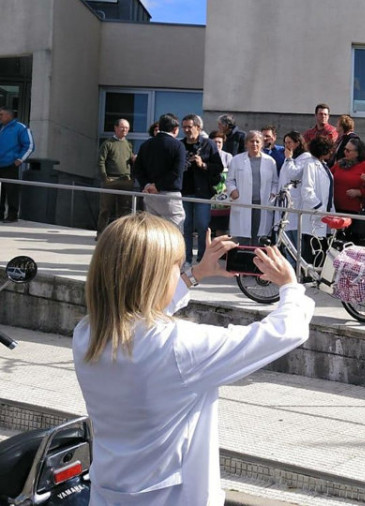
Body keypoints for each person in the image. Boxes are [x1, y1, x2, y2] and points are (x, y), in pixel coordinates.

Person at [73, 213, 312, 505]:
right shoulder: (178, 346)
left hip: (109, 494)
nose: (180, 272)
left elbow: (138, 314)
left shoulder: (88, 333)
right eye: (177, 266)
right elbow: (283, 332)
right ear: (154, 276)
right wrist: (289, 286)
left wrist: (195, 275)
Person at [181, 114, 225, 264]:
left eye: (189, 127)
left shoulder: (208, 145)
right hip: (184, 191)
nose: (186, 130)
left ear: (198, 128)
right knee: (185, 226)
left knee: (202, 225)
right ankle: (185, 257)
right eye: (184, 127)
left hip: (202, 192)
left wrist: (203, 165)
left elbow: (218, 167)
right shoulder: (180, 145)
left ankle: (202, 258)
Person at [133, 113, 187, 231]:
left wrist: (147, 184)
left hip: (149, 194)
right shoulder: (178, 146)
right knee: (174, 230)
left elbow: (138, 168)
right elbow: (176, 172)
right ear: (175, 129)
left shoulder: (146, 144)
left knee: (153, 230)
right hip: (169, 194)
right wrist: (158, 186)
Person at [225, 130, 278, 244]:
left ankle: (255, 259)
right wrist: (233, 191)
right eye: (251, 141)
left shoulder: (270, 161)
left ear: (262, 144)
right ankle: (242, 259)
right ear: (246, 144)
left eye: (257, 141)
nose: (254, 144)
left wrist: (273, 194)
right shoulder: (237, 160)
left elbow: (275, 182)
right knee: (242, 237)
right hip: (242, 202)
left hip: (262, 204)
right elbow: (229, 180)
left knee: (259, 236)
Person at [298, 136, 335, 266]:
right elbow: (307, 191)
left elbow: (329, 194)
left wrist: (331, 212)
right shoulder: (310, 164)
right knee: (312, 249)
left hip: (324, 215)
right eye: (329, 149)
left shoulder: (324, 166)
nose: (331, 152)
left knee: (321, 249)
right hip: (315, 215)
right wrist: (321, 208)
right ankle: (308, 279)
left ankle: (315, 279)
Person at [330, 137, 365, 245]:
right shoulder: (340, 164)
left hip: (353, 212)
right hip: (335, 209)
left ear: (357, 153)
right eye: (345, 149)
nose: (345, 152)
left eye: (348, 150)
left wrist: (359, 192)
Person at [97, 118, 135, 236]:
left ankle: (121, 235)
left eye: (127, 128)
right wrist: (105, 177)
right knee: (105, 209)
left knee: (124, 210)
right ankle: (101, 234)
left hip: (126, 180)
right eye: (122, 127)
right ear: (116, 128)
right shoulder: (108, 143)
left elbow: (130, 159)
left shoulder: (128, 144)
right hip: (111, 180)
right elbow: (100, 161)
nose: (124, 130)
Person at [278, 131, 312, 249]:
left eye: (290, 142)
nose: (287, 146)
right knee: (287, 241)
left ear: (298, 143)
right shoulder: (290, 158)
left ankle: (297, 267)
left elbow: (294, 175)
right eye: (285, 143)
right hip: (286, 203)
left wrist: (289, 159)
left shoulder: (305, 158)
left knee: (296, 242)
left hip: (297, 204)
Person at [0, 106, 34, 223]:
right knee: (0, 191)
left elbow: (29, 145)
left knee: (11, 191)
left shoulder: (20, 128)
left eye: (1, 114)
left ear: (9, 115)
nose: (0, 117)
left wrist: (20, 159)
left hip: (10, 164)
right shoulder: (1, 128)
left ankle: (12, 215)